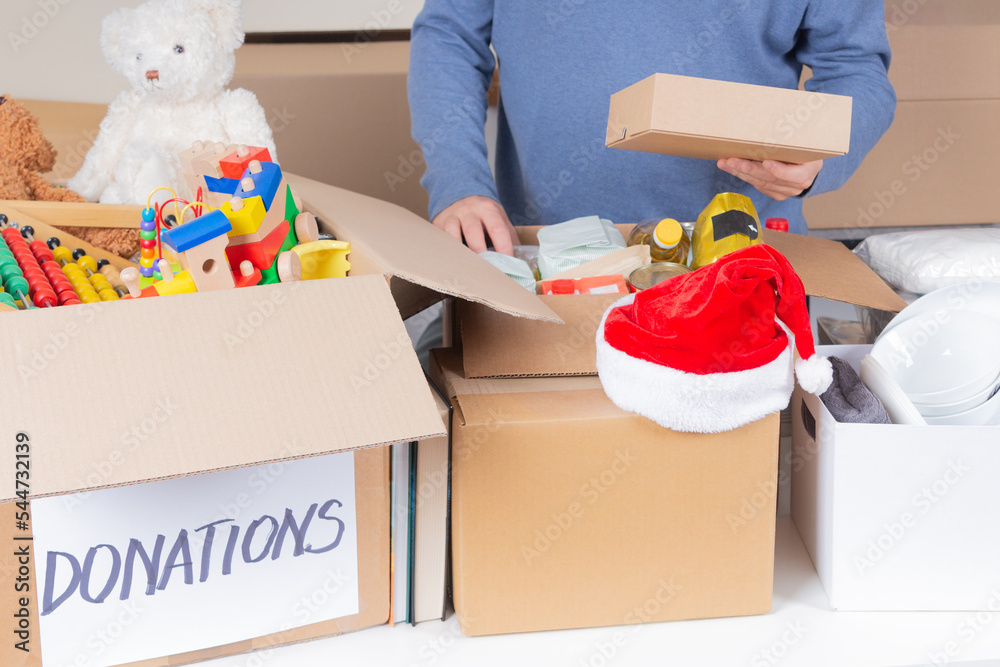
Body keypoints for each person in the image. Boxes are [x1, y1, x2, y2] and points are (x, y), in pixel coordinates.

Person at [408, 1, 896, 252]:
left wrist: (818, 159)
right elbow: (450, 35)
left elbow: (856, 67)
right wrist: (458, 183)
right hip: (545, 255)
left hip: (739, 256)